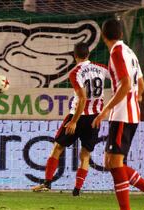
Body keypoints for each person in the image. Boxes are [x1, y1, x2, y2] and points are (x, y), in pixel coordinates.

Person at [92, 19, 144, 210]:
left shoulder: (116, 52)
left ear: (103, 36)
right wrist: (135, 98)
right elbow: (140, 85)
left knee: (114, 163)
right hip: (129, 114)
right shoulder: (130, 52)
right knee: (111, 162)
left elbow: (125, 85)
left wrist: (105, 110)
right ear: (122, 34)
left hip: (122, 115)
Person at [32, 42, 109, 196]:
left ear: (75, 56)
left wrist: (74, 121)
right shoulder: (101, 68)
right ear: (88, 54)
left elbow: (82, 99)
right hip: (95, 118)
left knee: (58, 147)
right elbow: (117, 77)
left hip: (78, 116)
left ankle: (47, 182)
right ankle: (77, 190)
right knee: (85, 154)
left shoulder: (75, 72)